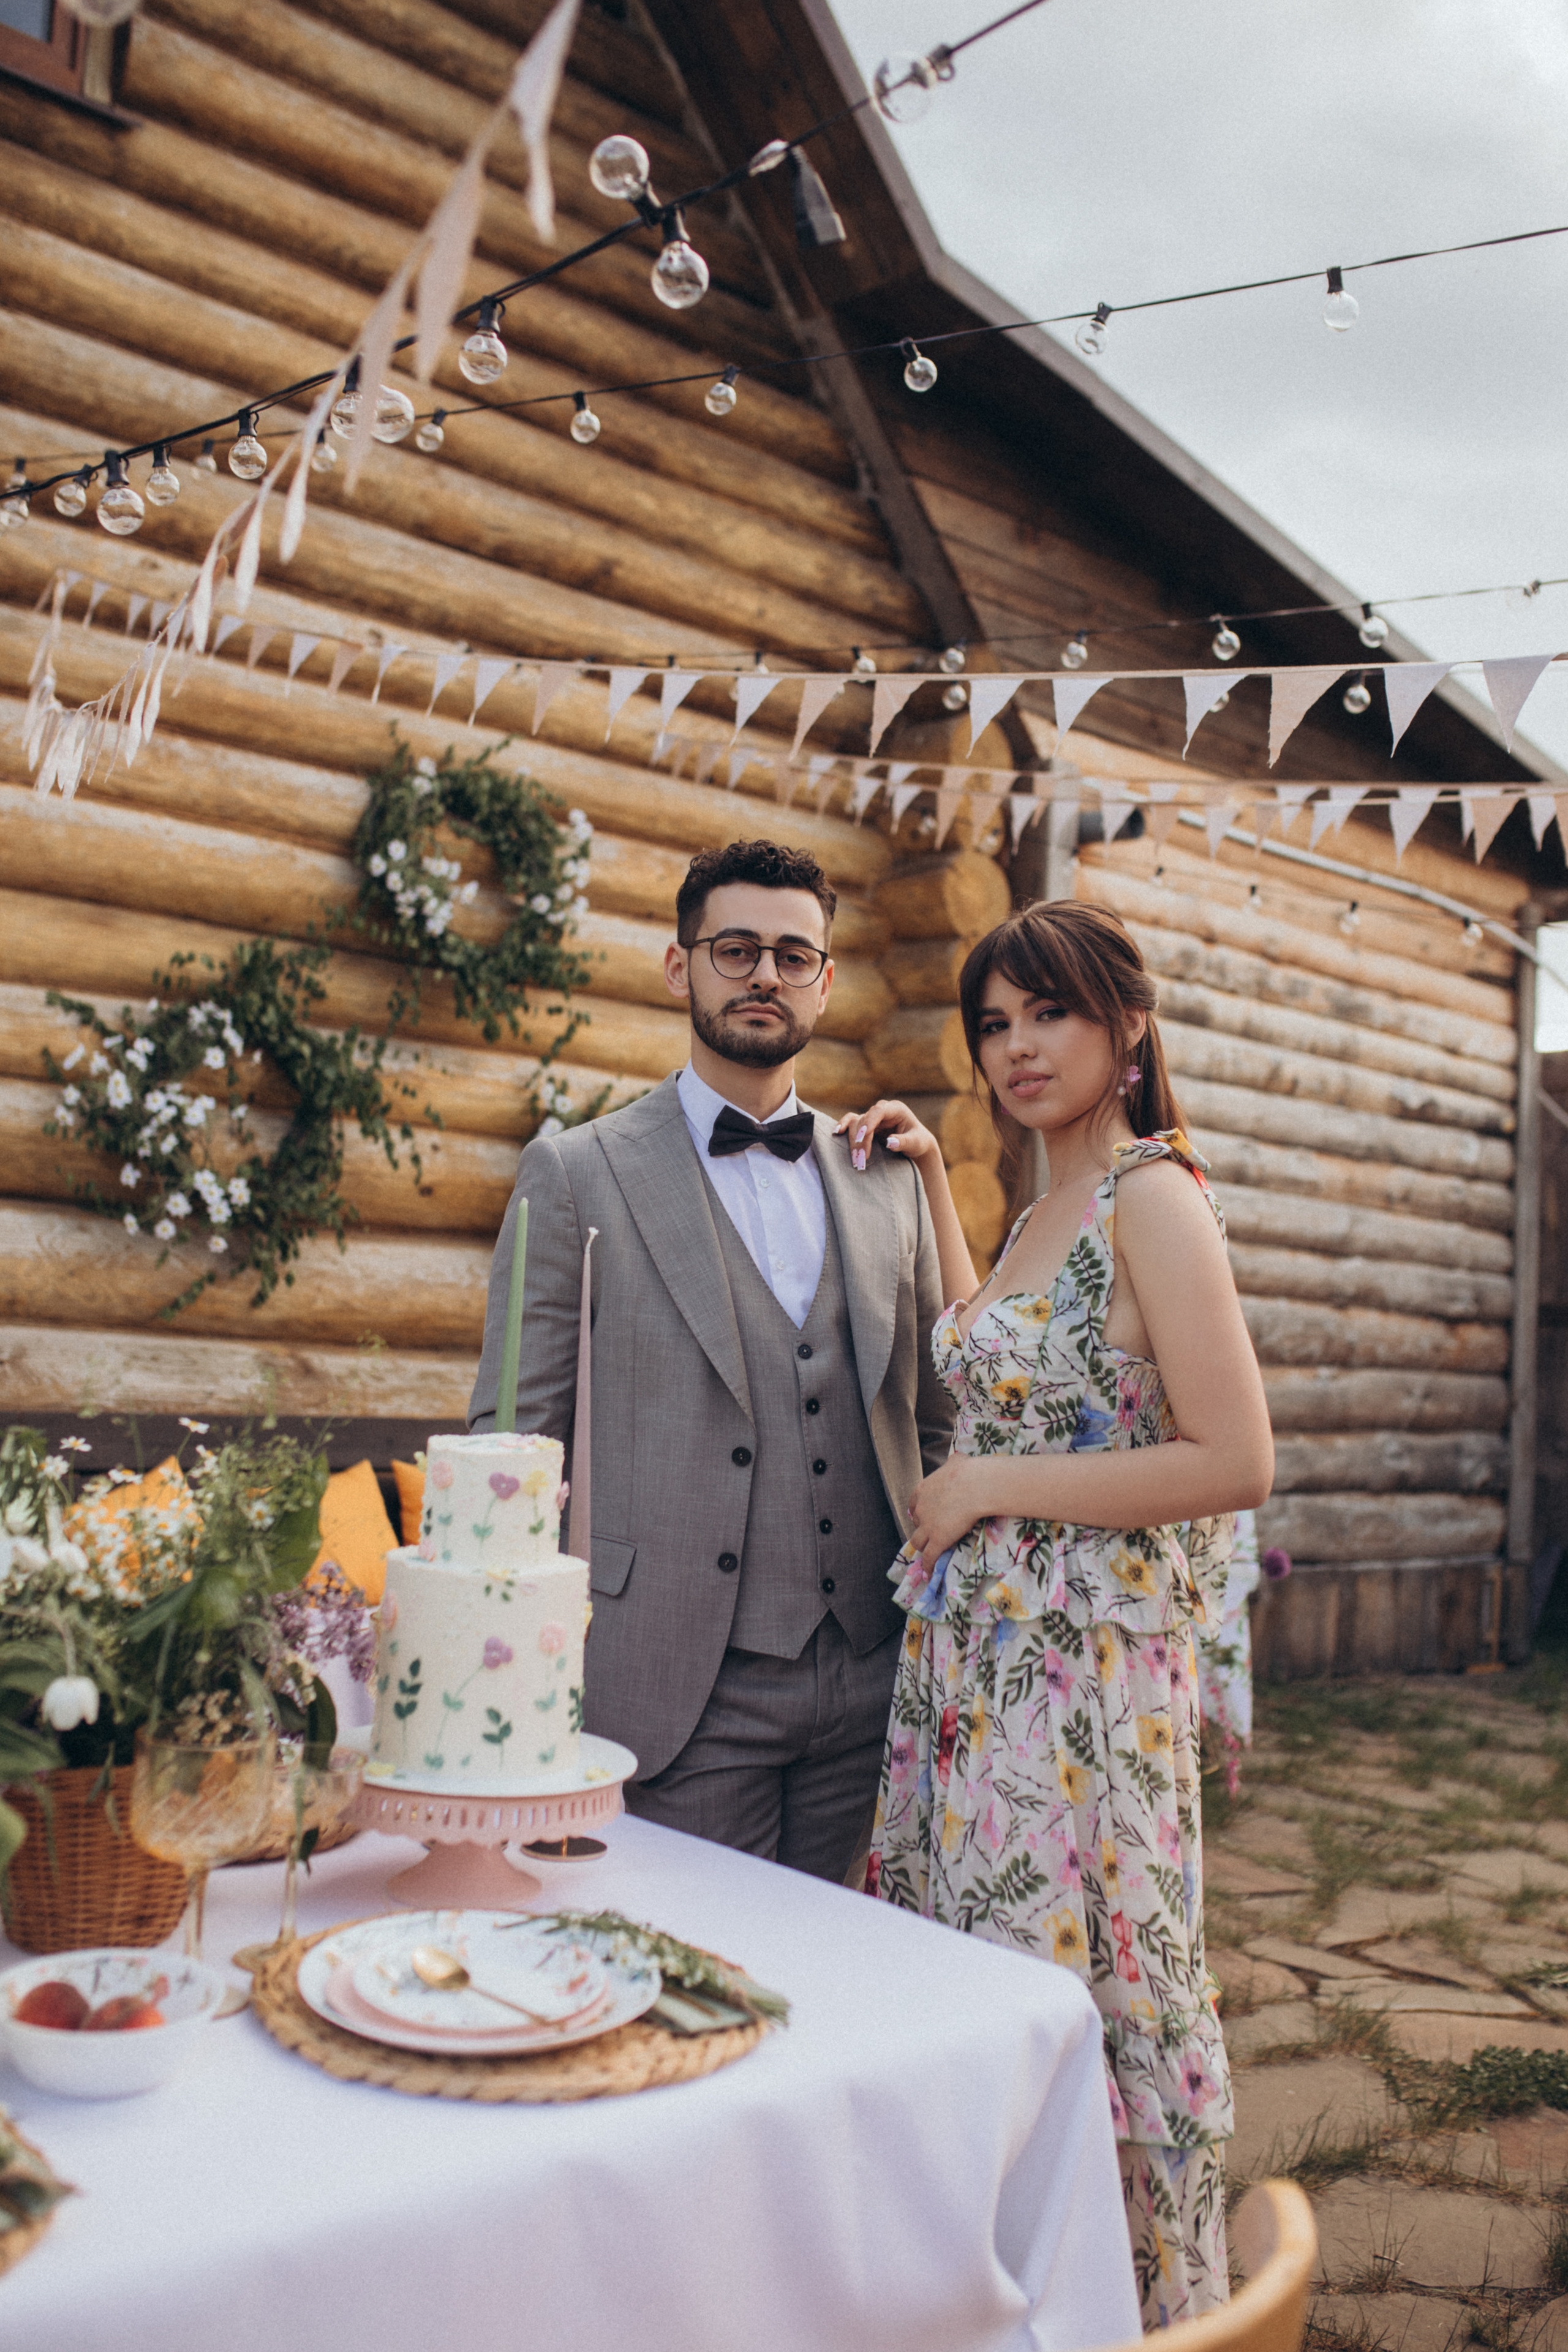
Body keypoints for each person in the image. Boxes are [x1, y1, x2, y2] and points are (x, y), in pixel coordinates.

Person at [844, 901, 1273, 2331]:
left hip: (1080, 1684)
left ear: (1126, 1027)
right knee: (984, 1972)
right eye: (994, 1023)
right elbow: (1021, 1367)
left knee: (1077, 1979)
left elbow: (1232, 1457)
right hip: (981, 1679)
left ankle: (1118, 2303)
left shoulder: (1153, 1195)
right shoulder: (1040, 1211)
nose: (1017, 1047)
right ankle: (997, 2292)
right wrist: (925, 1191)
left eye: (1052, 1015)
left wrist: (980, 1490)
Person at [469, 839, 952, 1883]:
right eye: (736, 950)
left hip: (873, 1678)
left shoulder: (885, 1177)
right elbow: (513, 1439)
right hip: (676, 1682)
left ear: (825, 982)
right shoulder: (576, 1174)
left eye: (792, 955)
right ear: (680, 967)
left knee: (841, 1994)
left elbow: (939, 1416)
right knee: (692, 1991)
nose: (765, 976)